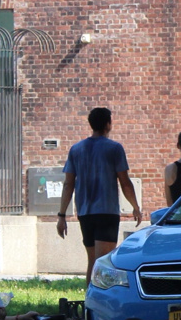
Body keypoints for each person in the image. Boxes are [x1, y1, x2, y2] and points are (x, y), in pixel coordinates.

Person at [56, 107, 142, 290]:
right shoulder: (115, 148)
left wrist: (61, 215)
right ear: (108, 124)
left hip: (85, 213)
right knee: (103, 262)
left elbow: (68, 184)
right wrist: (135, 206)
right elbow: (125, 182)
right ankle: (101, 300)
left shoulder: (76, 149)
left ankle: (89, 300)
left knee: (92, 261)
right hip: (106, 212)